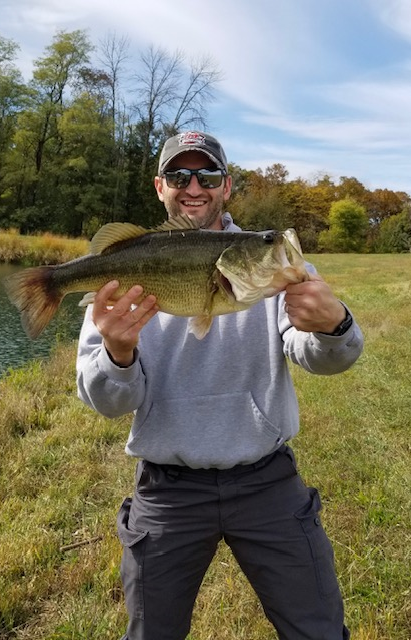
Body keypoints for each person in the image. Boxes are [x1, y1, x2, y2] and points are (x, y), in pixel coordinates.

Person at [76, 130, 363, 640]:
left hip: (266, 480)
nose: (194, 186)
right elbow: (108, 402)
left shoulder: (267, 261)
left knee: (319, 629)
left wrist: (334, 324)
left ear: (226, 186)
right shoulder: (126, 271)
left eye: (207, 175)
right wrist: (118, 353)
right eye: (180, 175)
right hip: (168, 489)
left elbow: (322, 359)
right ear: (159, 186)